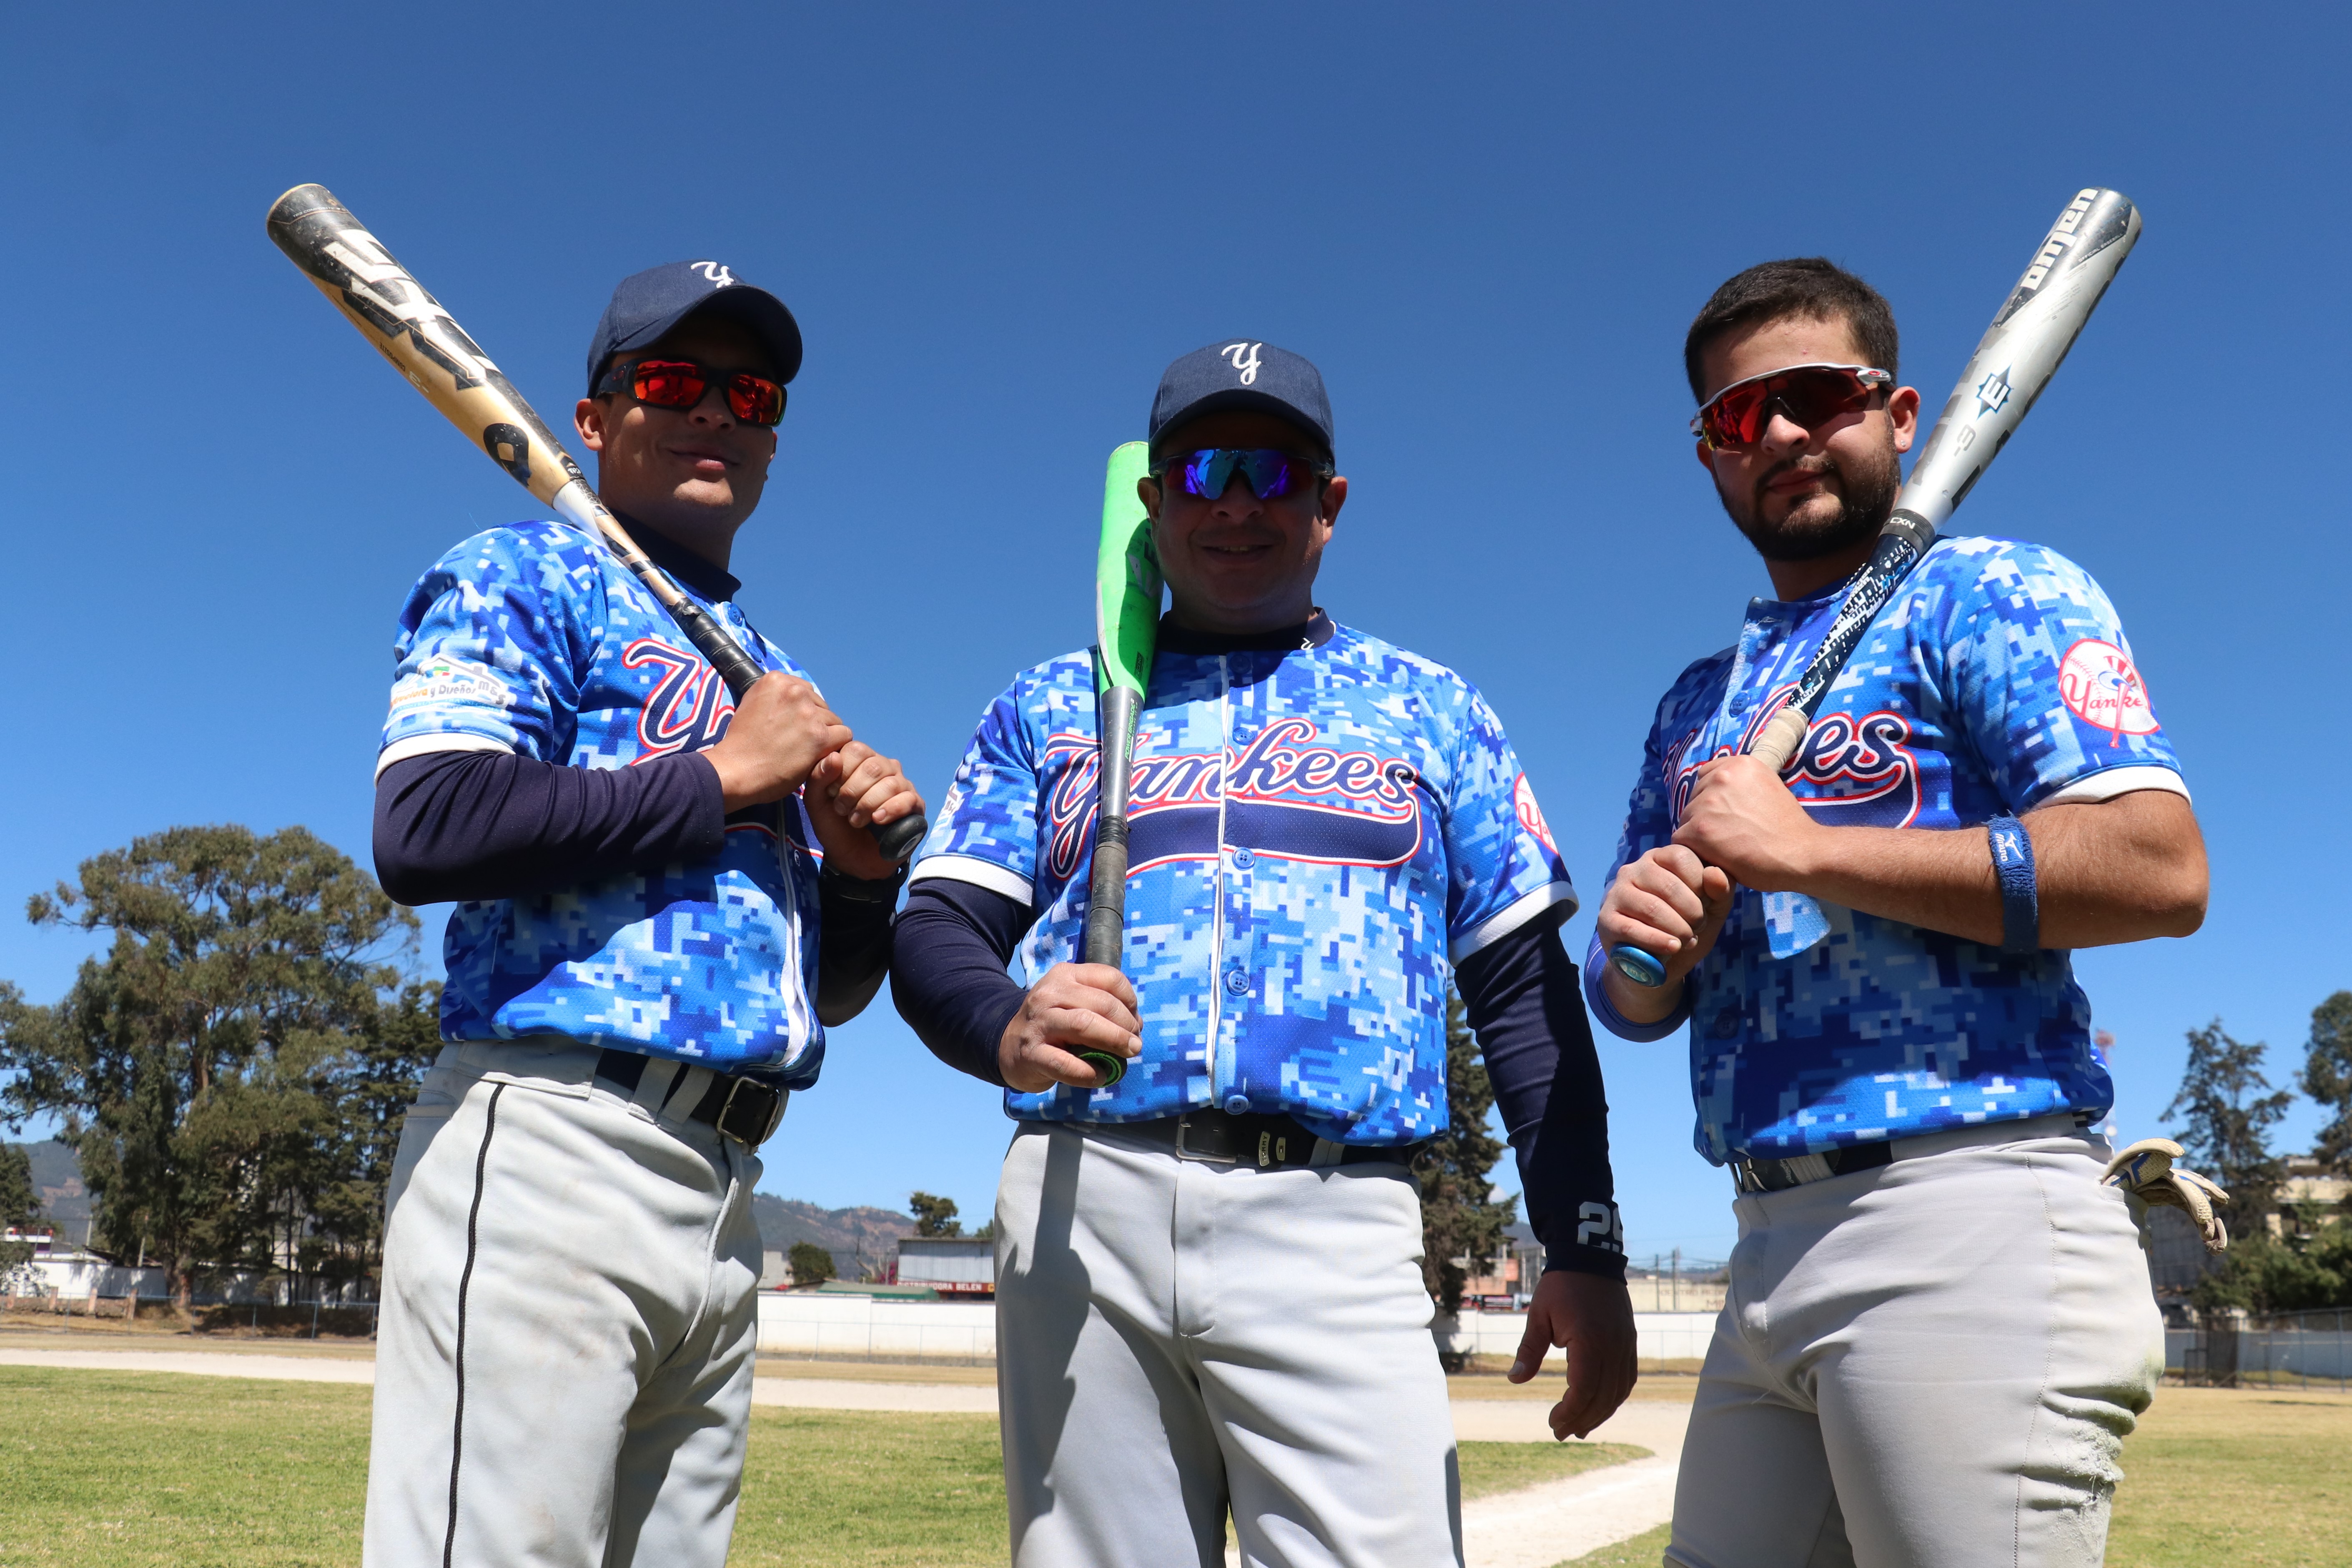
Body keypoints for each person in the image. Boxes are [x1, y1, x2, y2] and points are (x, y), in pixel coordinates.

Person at [891, 340, 1635, 1568]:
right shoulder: (1055, 702)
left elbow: (1518, 989)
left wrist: (1583, 1241)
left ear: (1327, 504)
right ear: (1153, 499)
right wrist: (1003, 1022)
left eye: (1273, 472)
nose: (1235, 501)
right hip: (1086, 1201)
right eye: (1201, 471)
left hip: (1334, 1209)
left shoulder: (1430, 705)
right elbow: (937, 926)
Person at [1588, 258, 2209, 1567]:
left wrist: (1809, 847)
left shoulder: (1992, 593)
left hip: (1965, 1206)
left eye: (1815, 395)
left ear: (1902, 411)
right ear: (1706, 456)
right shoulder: (1696, 701)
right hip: (1760, 1236)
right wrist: (1641, 955)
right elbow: (1634, 1001)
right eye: (1735, 417)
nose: (1780, 435)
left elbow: (2157, 868)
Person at [361, 260, 924, 1568]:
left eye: (752, 393)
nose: (715, 412)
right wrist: (727, 777)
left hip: (727, 1183)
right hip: (553, 1144)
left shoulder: (774, 671)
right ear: (595, 418)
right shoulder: (520, 573)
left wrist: (851, 873)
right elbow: (425, 825)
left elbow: (826, 990)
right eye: (671, 381)